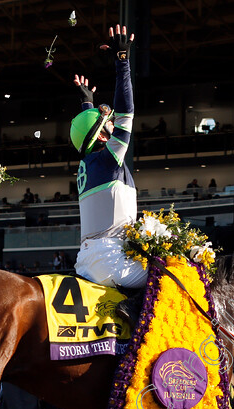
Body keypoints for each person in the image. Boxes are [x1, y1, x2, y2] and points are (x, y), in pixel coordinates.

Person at [69, 24, 145, 292]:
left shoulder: (89, 163)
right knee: (179, 274)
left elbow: (88, 135)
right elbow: (127, 110)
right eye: (108, 125)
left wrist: (88, 106)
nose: (113, 125)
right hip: (112, 262)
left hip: (86, 261)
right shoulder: (110, 160)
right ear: (102, 137)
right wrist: (122, 61)